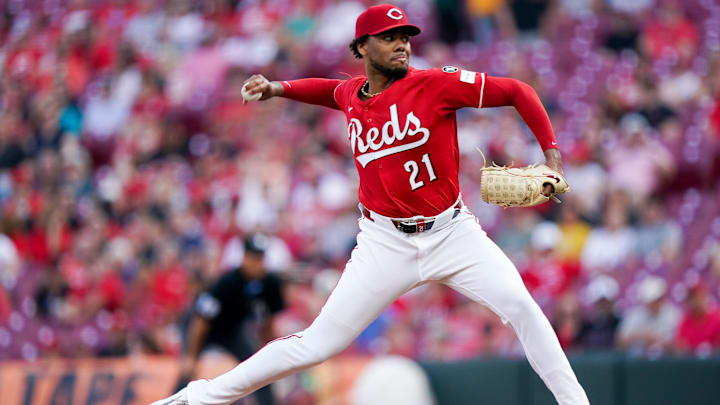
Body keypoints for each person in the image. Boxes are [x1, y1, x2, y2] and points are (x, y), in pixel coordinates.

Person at [152, 4, 589, 405]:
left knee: (522, 309)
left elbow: (517, 90)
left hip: (452, 233)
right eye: (388, 36)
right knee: (316, 345)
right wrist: (278, 88)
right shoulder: (351, 95)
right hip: (384, 243)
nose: (401, 44)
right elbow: (330, 90)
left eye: (405, 36)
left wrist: (551, 154)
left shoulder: (435, 84)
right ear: (362, 47)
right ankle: (199, 397)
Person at [176, 234, 285, 405]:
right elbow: (201, 320)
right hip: (204, 328)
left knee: (260, 368)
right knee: (187, 370)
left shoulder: (270, 283)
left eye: (261, 258)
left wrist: (270, 349)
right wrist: (190, 355)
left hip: (231, 330)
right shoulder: (227, 282)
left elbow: (268, 321)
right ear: (245, 258)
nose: (258, 263)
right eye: (254, 258)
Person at [616, 276, 680, 356]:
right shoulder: (635, 315)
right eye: (651, 300)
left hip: (665, 360)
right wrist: (642, 336)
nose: (654, 303)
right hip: (638, 362)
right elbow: (620, 341)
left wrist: (658, 341)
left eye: (657, 299)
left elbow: (679, 343)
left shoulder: (673, 315)